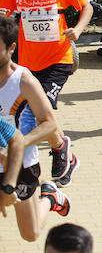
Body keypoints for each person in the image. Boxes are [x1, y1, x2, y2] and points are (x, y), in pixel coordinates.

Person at [0, 0, 91, 188]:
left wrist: (79, 29)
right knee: (41, 115)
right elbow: (3, 20)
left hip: (58, 60)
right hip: (28, 64)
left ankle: (36, 154)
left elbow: (87, 7)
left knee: (36, 113)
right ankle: (62, 149)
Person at [0, 16, 72, 243]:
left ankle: (50, 197)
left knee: (30, 234)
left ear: (12, 48)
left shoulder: (24, 82)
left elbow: (49, 124)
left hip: (22, 165)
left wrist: (17, 144)